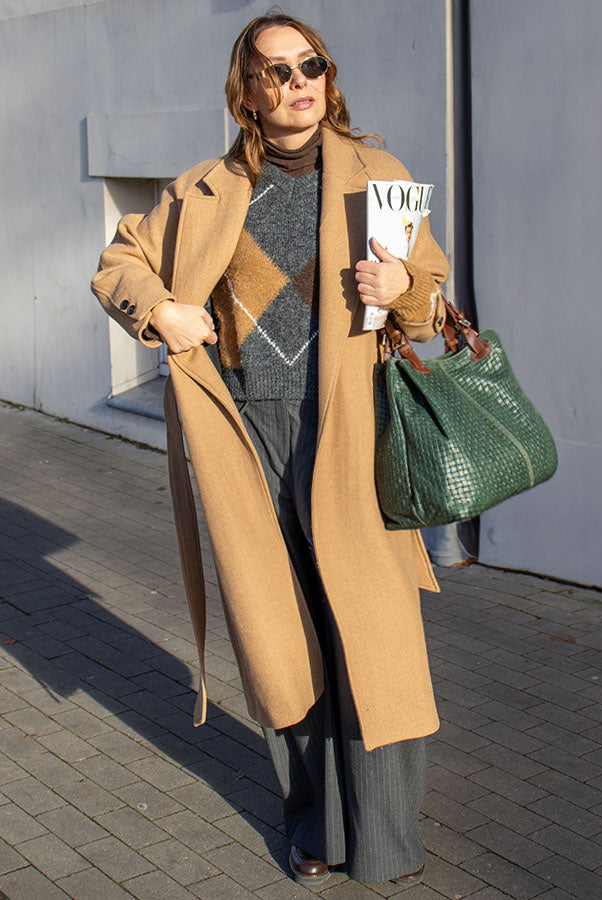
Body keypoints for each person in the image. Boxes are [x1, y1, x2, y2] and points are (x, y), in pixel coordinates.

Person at [92, 12, 449, 887]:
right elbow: (118, 263)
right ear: (245, 90)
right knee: (283, 640)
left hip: (351, 437)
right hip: (248, 441)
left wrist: (405, 285)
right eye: (275, 70)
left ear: (329, 76)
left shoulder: (377, 177)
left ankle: (386, 839)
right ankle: (315, 826)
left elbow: (432, 310)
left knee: (373, 638)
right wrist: (161, 310)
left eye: (310, 65)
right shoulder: (204, 190)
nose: (297, 83)